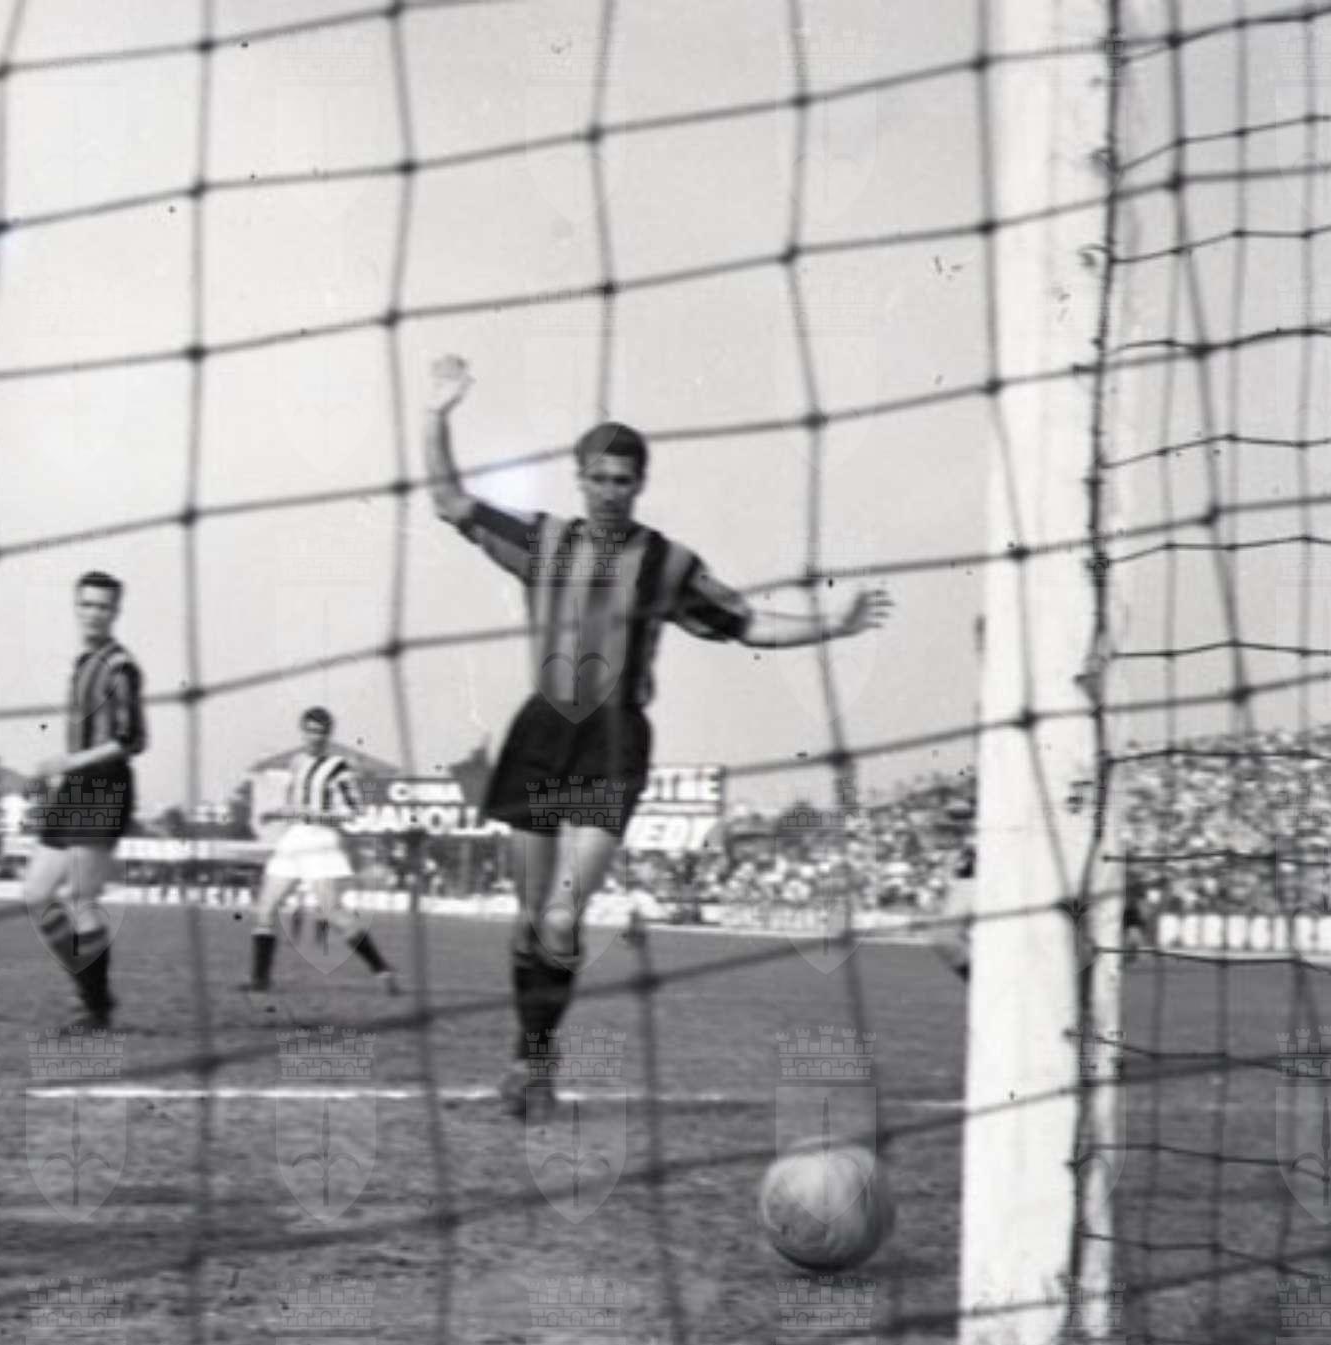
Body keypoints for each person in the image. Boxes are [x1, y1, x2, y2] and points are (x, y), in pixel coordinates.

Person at [423, 354, 893, 1115]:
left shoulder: (667, 564)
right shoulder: (542, 542)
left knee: (563, 916)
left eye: (623, 480)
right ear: (579, 478)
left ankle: (536, 1069)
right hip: (542, 731)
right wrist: (437, 414)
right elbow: (448, 500)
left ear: (639, 484)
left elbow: (745, 622)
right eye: (598, 478)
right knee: (528, 917)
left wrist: (831, 625)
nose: (611, 491)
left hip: (612, 741)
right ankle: (528, 1060)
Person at [23, 570, 146, 1029]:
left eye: (103, 607)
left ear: (116, 612)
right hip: (74, 788)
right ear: (76, 607)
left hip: (105, 788)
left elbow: (131, 740)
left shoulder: (120, 667)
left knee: (80, 897)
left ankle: (94, 1007)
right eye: (87, 605)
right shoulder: (82, 663)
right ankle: (93, 990)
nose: (94, 614)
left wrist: (65, 762)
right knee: (36, 895)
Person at [242, 706, 397, 999]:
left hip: (321, 839)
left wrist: (316, 813)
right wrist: (276, 813)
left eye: (321, 732)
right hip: (294, 838)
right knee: (265, 908)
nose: (315, 737)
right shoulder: (297, 763)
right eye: (311, 731)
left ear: (329, 735)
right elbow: (296, 804)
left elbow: (354, 811)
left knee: (333, 912)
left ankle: (381, 969)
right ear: (302, 732)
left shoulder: (338, 767)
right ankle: (259, 981)